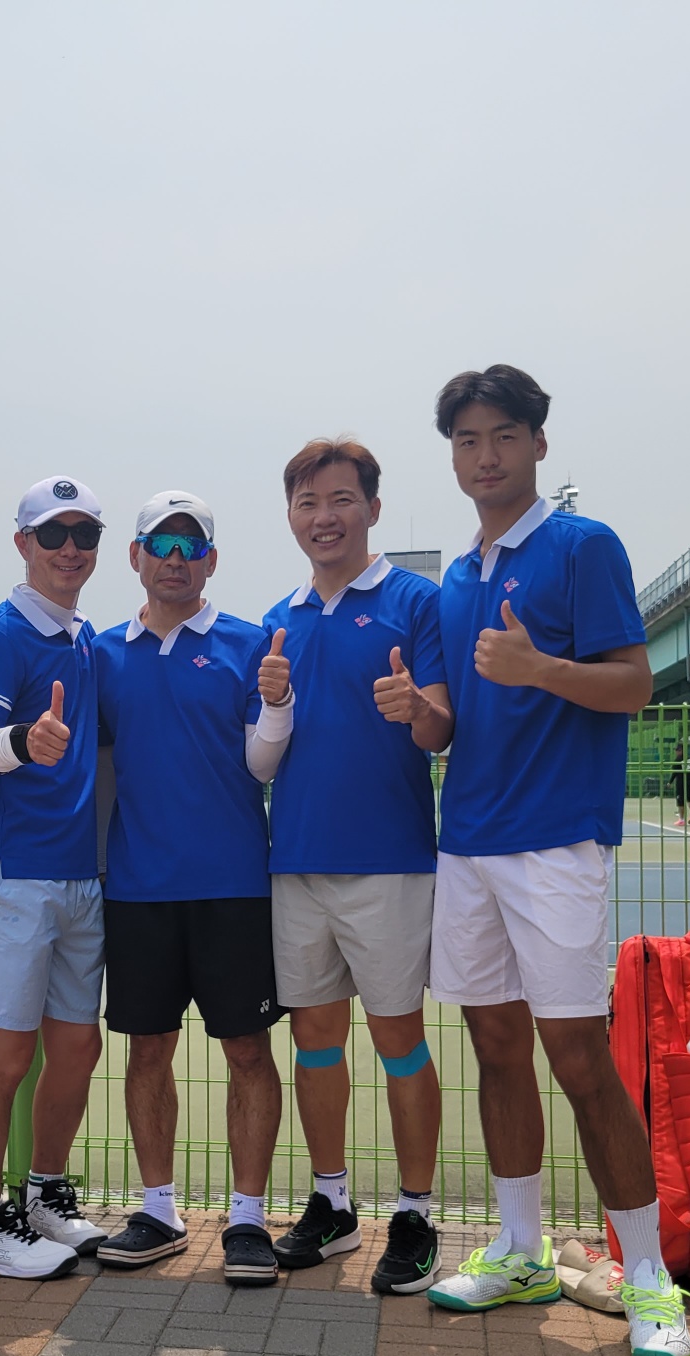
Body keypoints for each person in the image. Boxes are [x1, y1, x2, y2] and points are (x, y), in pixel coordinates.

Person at [425, 364, 690, 1356]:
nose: (485, 455)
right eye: (467, 440)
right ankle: (521, 1252)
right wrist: (421, 716)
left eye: (503, 435)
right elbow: (457, 722)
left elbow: (634, 684)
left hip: (558, 844)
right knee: (496, 1048)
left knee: (579, 1058)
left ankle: (648, 1276)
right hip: (469, 844)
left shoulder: (584, 546)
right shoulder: (458, 578)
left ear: (537, 443)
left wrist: (540, 668)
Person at [262, 438, 451, 1296]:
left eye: (341, 499)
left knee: (398, 1039)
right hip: (296, 862)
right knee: (314, 1039)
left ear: (372, 509)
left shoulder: (416, 601)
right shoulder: (281, 617)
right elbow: (264, 749)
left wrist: (417, 708)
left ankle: (415, 1211)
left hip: (390, 863)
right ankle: (332, 1203)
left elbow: (441, 727)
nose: (324, 517)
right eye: (307, 502)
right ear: (291, 516)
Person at [93, 492, 288, 1286]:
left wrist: (277, 703)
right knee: (148, 1048)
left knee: (247, 1051)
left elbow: (263, 764)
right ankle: (159, 1210)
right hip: (137, 888)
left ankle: (248, 1218)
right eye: (160, 545)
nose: (175, 559)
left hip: (233, 886)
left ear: (211, 561)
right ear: (135, 557)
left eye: (190, 546)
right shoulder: (101, 653)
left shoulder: (249, 645)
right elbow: (94, 769)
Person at [0, 477, 110, 1280]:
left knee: (77, 1048)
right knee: (5, 1059)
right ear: (23, 544)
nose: (70, 550)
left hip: (78, 877)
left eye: (85, 535)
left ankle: (43, 1195)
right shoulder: (2, 633)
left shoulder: (85, 638)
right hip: (7, 880)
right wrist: (23, 742)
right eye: (53, 534)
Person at [671, 741, 690, 827]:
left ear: (681, 750)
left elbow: (674, 773)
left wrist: (670, 782)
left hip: (681, 783)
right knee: (689, 798)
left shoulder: (678, 760)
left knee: (680, 801)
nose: (676, 752)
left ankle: (681, 819)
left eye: (677, 750)